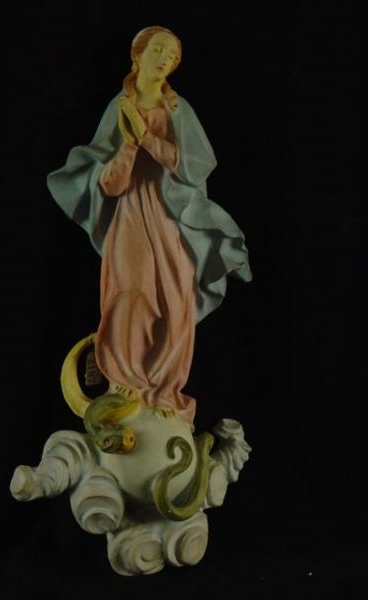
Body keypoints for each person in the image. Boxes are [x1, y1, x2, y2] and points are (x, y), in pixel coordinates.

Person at [47, 26, 252, 426]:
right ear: (137, 54)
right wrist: (128, 143)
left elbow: (192, 168)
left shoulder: (178, 109)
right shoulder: (119, 107)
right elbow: (109, 183)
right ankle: (125, 381)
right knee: (132, 295)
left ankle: (164, 390)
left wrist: (148, 138)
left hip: (171, 218)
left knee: (177, 300)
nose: (165, 60)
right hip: (131, 216)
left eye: (172, 56)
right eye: (158, 50)